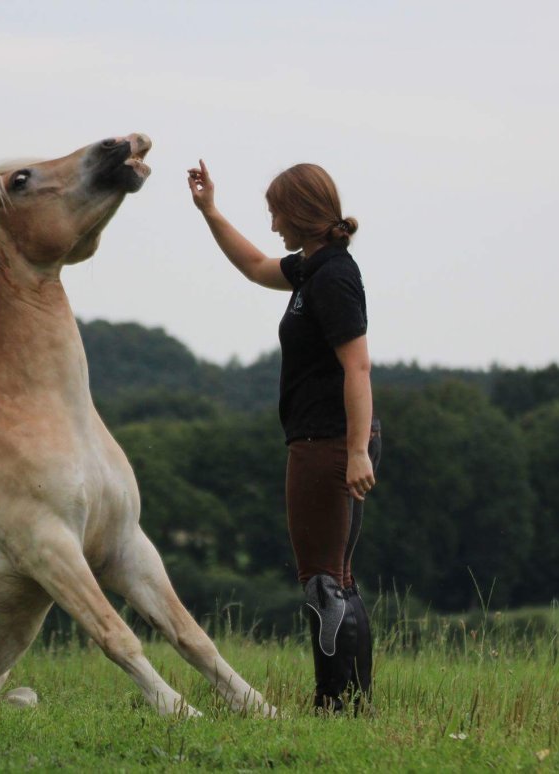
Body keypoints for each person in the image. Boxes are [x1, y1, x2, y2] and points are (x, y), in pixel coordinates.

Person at [187, 159, 382, 714]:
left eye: (276, 212)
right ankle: (351, 704)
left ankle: (334, 705)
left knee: (323, 581)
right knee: (339, 578)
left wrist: (356, 449)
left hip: (328, 443)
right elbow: (253, 266)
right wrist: (209, 211)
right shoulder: (314, 270)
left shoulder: (335, 277)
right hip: (329, 442)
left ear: (299, 212)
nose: (272, 224)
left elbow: (358, 368)